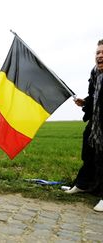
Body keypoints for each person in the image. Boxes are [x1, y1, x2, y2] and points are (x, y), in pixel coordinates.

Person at [65, 39, 103, 212]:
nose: (100, 56)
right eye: (98, 52)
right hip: (95, 123)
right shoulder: (95, 73)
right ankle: (82, 184)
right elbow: (94, 96)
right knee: (87, 153)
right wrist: (84, 102)